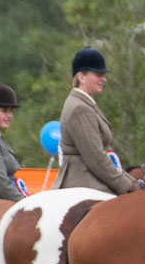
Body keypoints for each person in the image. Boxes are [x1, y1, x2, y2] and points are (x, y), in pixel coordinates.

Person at [52, 47, 139, 194]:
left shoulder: (85, 104)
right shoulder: (79, 108)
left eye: (103, 75)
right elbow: (96, 158)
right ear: (81, 77)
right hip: (83, 181)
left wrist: (131, 180)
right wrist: (127, 186)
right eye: (98, 74)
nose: (103, 79)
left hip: (91, 177)